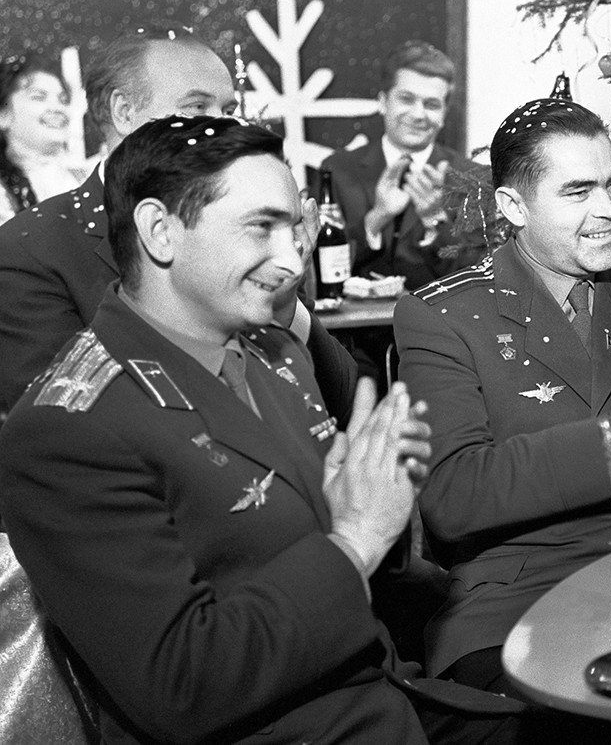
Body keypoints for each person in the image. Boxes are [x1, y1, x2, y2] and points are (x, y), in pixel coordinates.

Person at [0, 114, 434, 745]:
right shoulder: (67, 431)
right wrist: (354, 539)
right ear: (160, 232)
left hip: (388, 696)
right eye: (262, 227)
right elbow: (181, 685)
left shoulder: (269, 353)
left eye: (294, 229)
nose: (291, 260)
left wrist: (373, 502)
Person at [394, 96, 611, 734]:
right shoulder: (446, 316)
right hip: (517, 597)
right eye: (577, 191)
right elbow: (454, 499)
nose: (608, 210)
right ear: (514, 207)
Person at [0, 27, 355, 420]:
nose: (221, 127)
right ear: (123, 111)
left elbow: (341, 400)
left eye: (228, 111)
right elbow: (65, 429)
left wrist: (284, 305)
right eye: (196, 108)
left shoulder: (245, 232)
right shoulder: (30, 253)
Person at [322, 41, 483, 291]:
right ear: (383, 102)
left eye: (431, 104)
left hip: (439, 327)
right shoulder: (337, 170)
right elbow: (316, 268)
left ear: (443, 115)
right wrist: (376, 218)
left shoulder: (474, 178)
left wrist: (435, 222)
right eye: (406, 99)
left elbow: (480, 279)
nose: (418, 115)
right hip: (351, 329)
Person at [0, 53, 87, 225]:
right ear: (3, 115)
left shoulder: (87, 176)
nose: (57, 108)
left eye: (63, 100)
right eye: (39, 97)